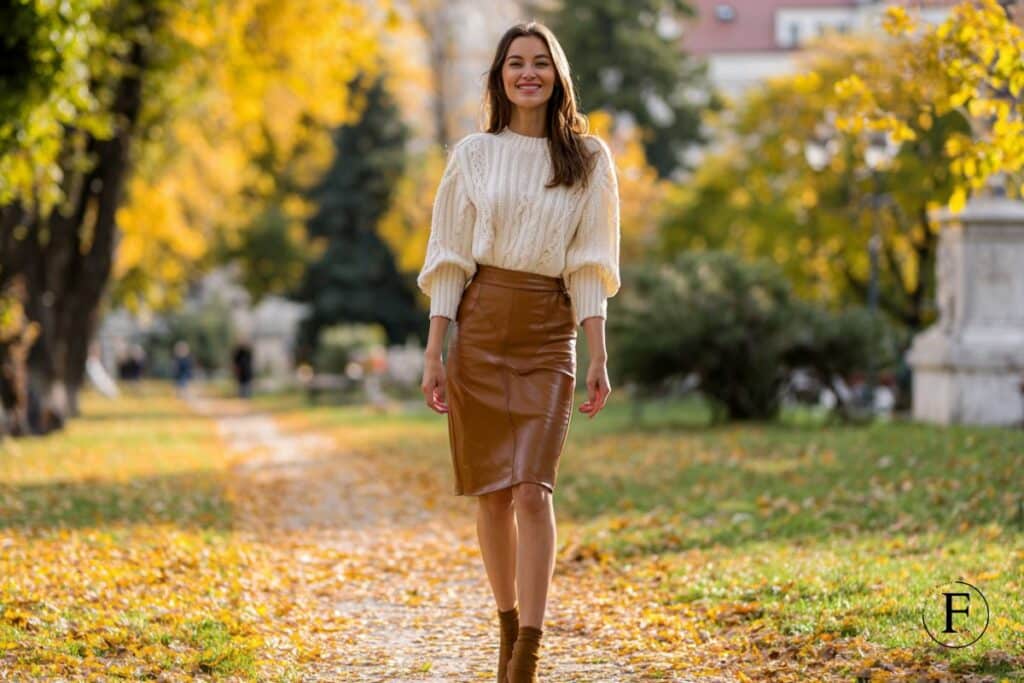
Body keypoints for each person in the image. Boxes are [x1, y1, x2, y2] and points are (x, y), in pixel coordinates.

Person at [417, 21, 620, 683]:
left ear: (558, 75)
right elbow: (447, 258)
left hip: (546, 333)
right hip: (477, 331)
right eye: (515, 63)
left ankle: (527, 653)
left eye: (539, 62)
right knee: (492, 495)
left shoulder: (590, 160)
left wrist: (598, 354)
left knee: (533, 491)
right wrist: (434, 350)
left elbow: (590, 264)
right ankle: (506, 621)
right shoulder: (472, 155)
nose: (527, 73)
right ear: (500, 77)